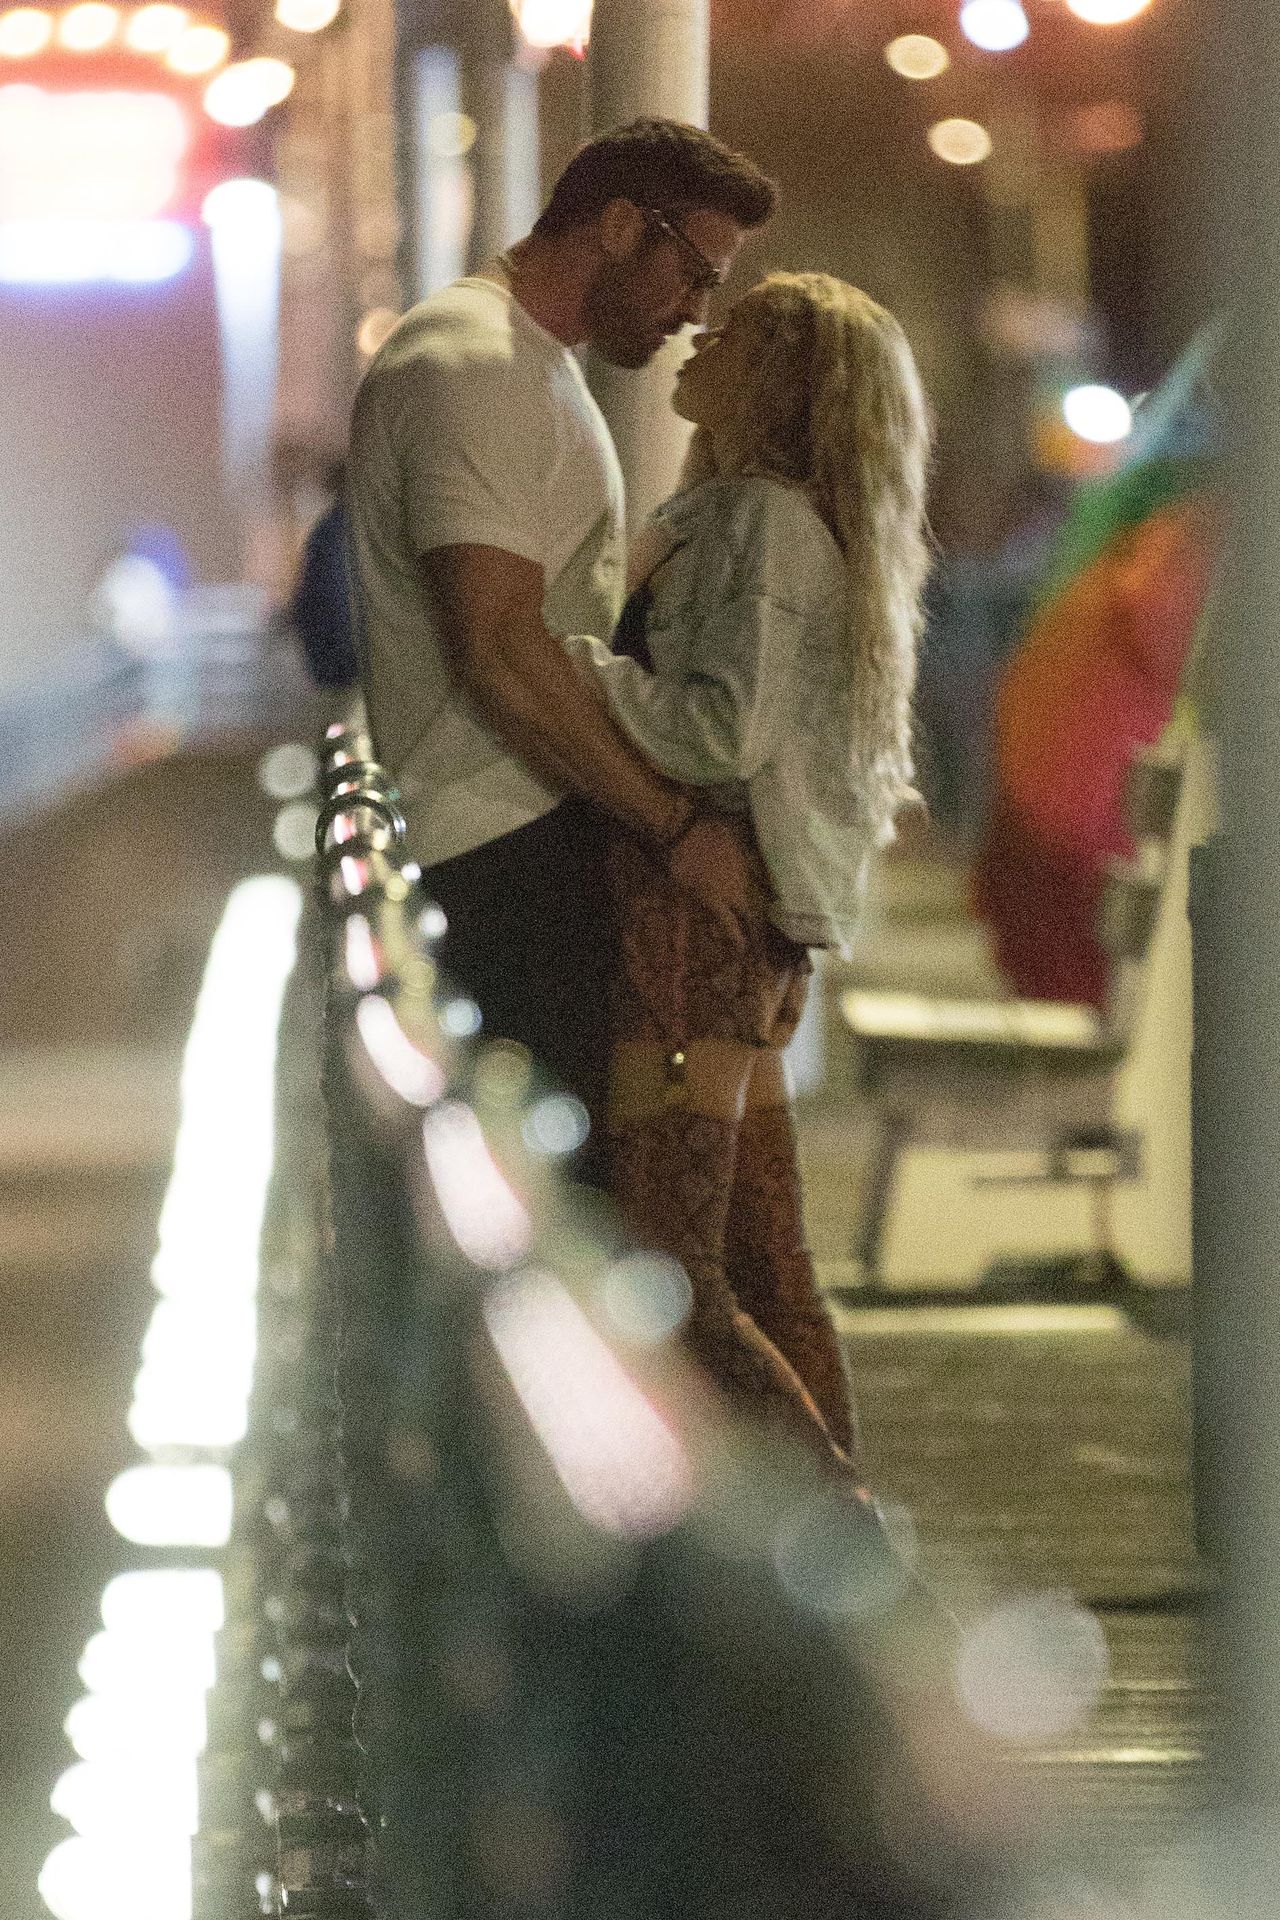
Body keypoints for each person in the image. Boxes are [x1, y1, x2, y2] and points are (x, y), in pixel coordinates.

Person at [346, 120, 777, 1182]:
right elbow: (498, 644)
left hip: (513, 838)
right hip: (496, 854)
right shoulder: (477, 366)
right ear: (622, 225)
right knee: (541, 1196)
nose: (695, 312)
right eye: (693, 273)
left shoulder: (522, 366)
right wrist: (674, 826)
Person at [563, 274, 933, 1475]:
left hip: (692, 927)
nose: (694, 337)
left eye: (731, 336)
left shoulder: (759, 523)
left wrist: (572, 666)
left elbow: (717, 734)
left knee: (674, 1271)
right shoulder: (746, 513)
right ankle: (846, 1523)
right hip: (742, 924)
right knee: (768, 1265)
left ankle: (829, 1541)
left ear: (777, 383)